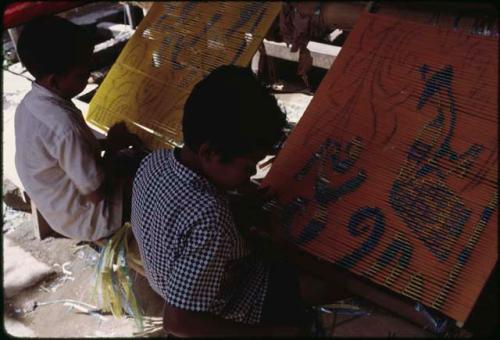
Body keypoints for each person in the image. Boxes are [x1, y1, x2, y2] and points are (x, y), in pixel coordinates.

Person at [131, 65, 312, 336]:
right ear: (210, 153)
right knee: (302, 274)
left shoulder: (154, 161)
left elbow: (179, 219)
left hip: (165, 280)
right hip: (222, 306)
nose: (252, 176)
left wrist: (236, 204)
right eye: (249, 167)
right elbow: (178, 323)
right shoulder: (210, 217)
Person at [15, 15, 143, 242]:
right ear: (54, 81)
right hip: (90, 219)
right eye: (82, 76)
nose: (89, 78)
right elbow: (97, 194)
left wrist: (106, 145)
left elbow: (63, 154)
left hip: (60, 210)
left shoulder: (29, 104)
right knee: (155, 179)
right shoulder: (64, 127)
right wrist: (112, 147)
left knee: (133, 159)